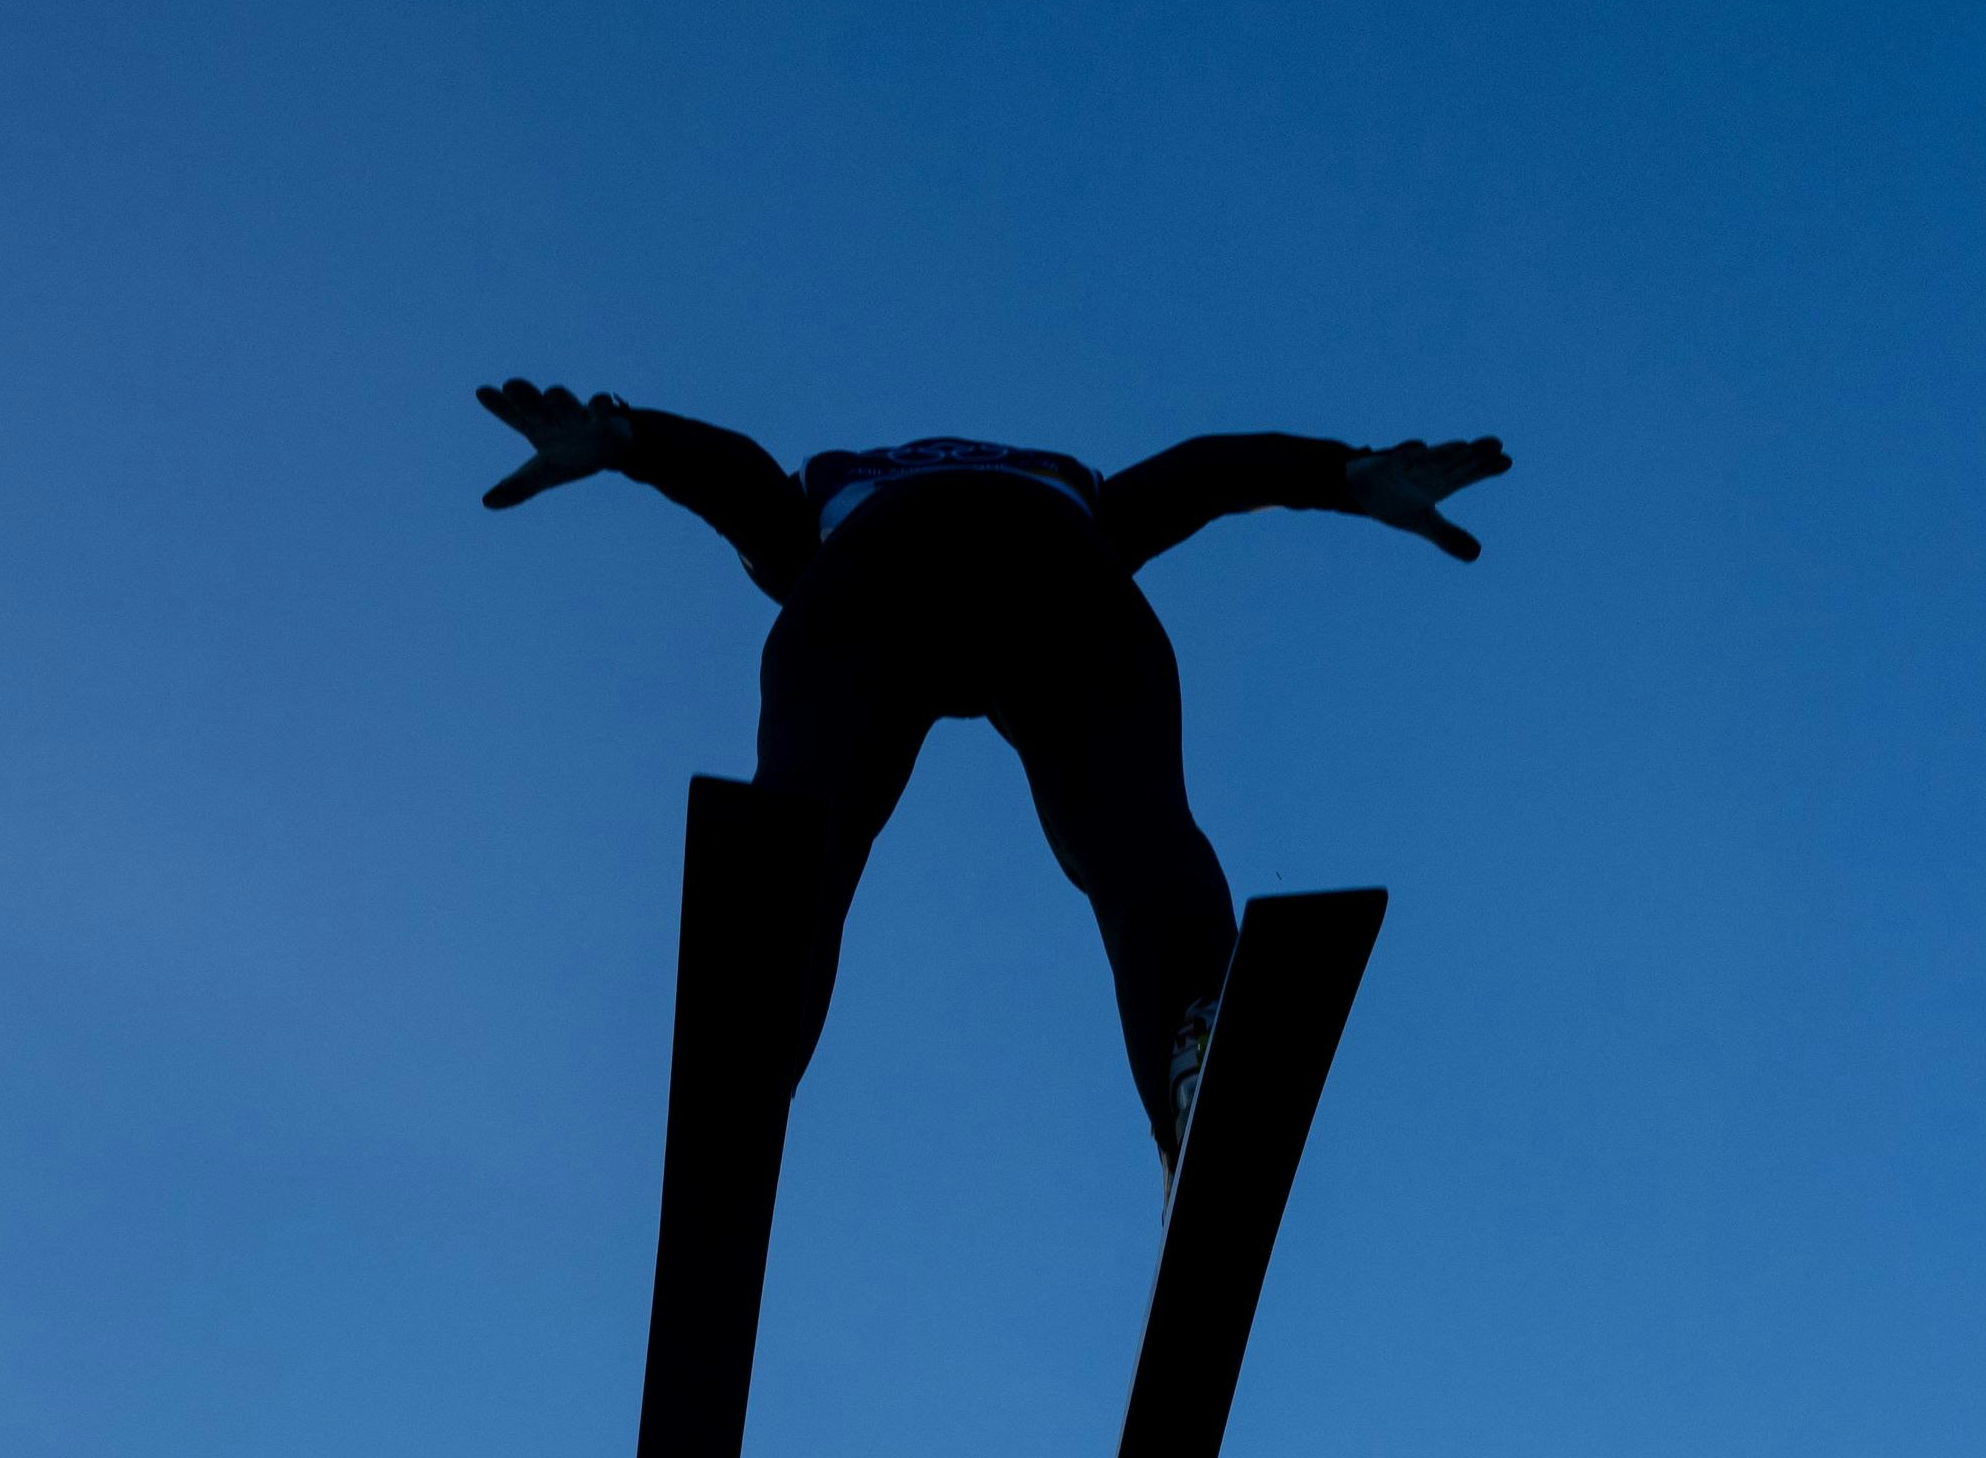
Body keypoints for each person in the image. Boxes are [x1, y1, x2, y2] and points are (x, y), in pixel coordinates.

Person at [475, 380, 1509, 1178]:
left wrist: (1344, 473)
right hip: (972, 583)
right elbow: (1199, 473)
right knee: (876, 810)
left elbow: (1202, 475)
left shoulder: (996, 492)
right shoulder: (915, 494)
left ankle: (1197, 1050)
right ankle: (767, 1036)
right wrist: (626, 439)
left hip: (995, 584)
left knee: (1110, 826)